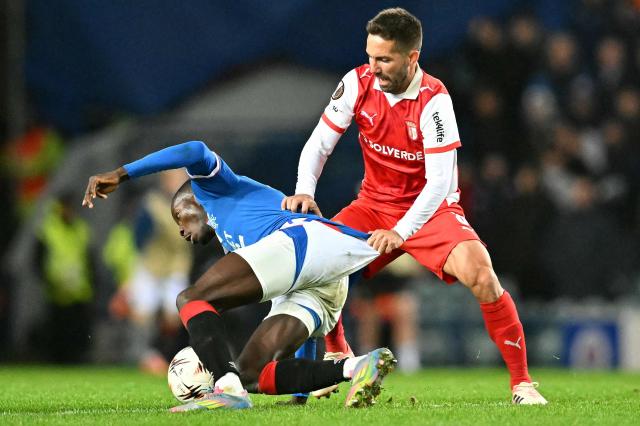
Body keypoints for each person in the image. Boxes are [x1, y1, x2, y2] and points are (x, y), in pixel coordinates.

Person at [282, 7, 547, 405]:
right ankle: (339, 353)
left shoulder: (435, 101)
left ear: (412, 58)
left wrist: (401, 232)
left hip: (431, 211)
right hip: (372, 204)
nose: (374, 68)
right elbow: (320, 143)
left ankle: (522, 385)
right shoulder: (357, 82)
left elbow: (439, 184)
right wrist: (305, 189)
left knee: (482, 275)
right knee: (315, 259)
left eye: (384, 59)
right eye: (371, 57)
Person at [82, 140, 396, 411]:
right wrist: (300, 395)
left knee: (191, 298)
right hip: (320, 276)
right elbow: (309, 286)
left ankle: (226, 387)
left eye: (180, 215)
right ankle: (358, 367)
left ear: (193, 198)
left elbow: (194, 149)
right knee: (252, 373)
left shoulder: (213, 188)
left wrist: (121, 173)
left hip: (303, 239)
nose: (180, 228)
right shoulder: (235, 241)